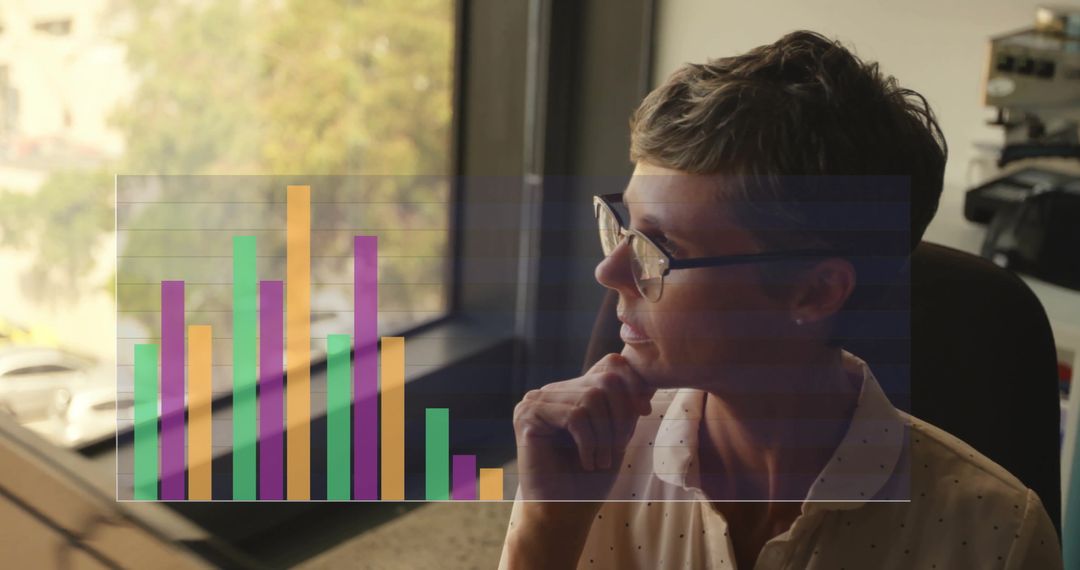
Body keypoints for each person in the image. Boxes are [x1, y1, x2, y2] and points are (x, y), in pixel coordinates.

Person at [498, 31, 1063, 569]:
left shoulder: (997, 538)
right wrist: (546, 525)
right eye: (623, 228)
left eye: (660, 246)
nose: (609, 269)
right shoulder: (583, 457)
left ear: (813, 292)